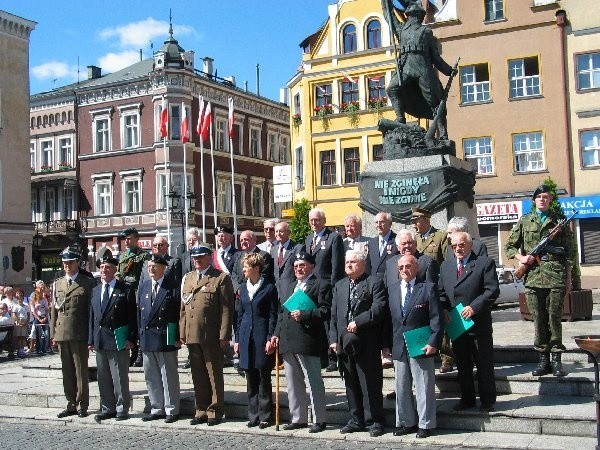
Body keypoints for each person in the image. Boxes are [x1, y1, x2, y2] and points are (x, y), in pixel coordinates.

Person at [504, 184, 576, 377]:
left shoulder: (559, 222)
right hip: (533, 277)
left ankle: (557, 360)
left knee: (554, 318)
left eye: (546, 196)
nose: (542, 199)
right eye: (539, 197)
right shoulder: (525, 221)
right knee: (539, 320)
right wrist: (522, 259)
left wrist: (569, 279)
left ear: (550, 200)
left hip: (555, 277)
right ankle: (543, 359)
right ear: (534, 200)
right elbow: (509, 247)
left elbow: (570, 253)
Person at [270, 251, 331, 434]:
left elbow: (325, 310)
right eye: (296, 266)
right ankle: (298, 418)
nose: (298, 269)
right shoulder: (289, 286)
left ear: (311, 266)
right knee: (292, 382)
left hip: (308, 339)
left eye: (302, 265)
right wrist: (276, 334)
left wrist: (305, 315)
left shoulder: (320, 284)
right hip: (288, 339)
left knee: (313, 382)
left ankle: (319, 419)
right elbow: (282, 313)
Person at [438, 232, 499, 412]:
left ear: (470, 245)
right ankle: (467, 399)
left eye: (462, 245)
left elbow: (492, 291)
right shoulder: (446, 266)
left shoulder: (484, 263)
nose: (458, 248)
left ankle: (487, 400)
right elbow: (441, 292)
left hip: (477, 324)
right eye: (454, 245)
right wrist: (443, 309)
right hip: (456, 325)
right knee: (463, 365)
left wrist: (474, 307)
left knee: (483, 364)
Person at [330, 249, 387, 438]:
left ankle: (375, 420)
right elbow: (334, 315)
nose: (348, 265)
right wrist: (333, 339)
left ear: (362, 264)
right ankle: (356, 419)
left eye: (353, 262)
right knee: (351, 383)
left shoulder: (374, 282)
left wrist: (359, 322)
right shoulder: (339, 285)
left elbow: (378, 309)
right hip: (344, 344)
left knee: (369, 383)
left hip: (367, 342)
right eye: (347, 262)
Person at [383, 254, 442, 439]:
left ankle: (425, 424)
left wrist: (434, 342)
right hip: (398, 345)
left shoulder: (427, 288)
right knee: (401, 387)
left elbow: (436, 318)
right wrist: (385, 345)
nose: (404, 270)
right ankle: (406, 422)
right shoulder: (391, 290)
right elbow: (387, 321)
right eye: (401, 267)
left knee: (424, 386)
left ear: (416, 268)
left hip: (421, 345)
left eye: (408, 266)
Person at [382, 0, 455, 138]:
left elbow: (435, 57)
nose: (411, 18)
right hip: (405, 67)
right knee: (392, 88)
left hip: (423, 68)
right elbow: (388, 15)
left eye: (412, 16)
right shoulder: (401, 30)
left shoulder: (426, 32)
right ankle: (400, 119)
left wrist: (448, 70)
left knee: (434, 101)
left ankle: (443, 133)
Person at [180, 244, 234, 426]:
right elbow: (183, 309)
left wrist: (224, 334)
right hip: (192, 334)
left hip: (211, 334)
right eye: (195, 257)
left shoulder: (221, 278)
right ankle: (201, 409)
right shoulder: (188, 278)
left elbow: (227, 309)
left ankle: (215, 410)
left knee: (213, 374)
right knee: (198, 374)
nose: (197, 260)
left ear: (210, 257)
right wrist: (182, 332)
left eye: (201, 257)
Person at [89, 256, 137, 423]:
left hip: (118, 338)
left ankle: (122, 408)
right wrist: (91, 339)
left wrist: (131, 338)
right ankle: (107, 407)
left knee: (119, 377)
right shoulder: (95, 290)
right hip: (100, 339)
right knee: (103, 377)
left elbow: (132, 316)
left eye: (108, 267)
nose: (104, 270)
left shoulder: (125, 289)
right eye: (102, 267)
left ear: (115, 269)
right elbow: (92, 317)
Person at [234, 253, 278, 429]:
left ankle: (265, 415)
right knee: (250, 378)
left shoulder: (269, 288)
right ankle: (253, 415)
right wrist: (237, 339)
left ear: (256, 268)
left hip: (261, 337)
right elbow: (240, 315)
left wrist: (270, 338)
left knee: (263, 377)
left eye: (246, 267)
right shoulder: (243, 289)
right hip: (246, 337)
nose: (243, 270)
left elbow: (273, 315)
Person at [51, 246, 95, 419]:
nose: (67, 266)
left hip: (79, 333)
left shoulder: (87, 283)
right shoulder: (57, 284)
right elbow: (53, 312)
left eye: (70, 262)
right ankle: (70, 403)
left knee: (80, 371)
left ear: (78, 263)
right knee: (66, 371)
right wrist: (53, 334)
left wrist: (91, 336)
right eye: (64, 263)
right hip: (62, 333)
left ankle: (82, 404)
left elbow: (90, 312)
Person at [138, 254, 181, 424]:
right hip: (148, 337)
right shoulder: (145, 286)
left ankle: (171, 409)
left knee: (168, 375)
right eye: (149, 266)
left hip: (165, 336)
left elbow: (178, 313)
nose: (151, 269)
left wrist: (178, 336)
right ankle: (157, 407)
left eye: (155, 266)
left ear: (163, 268)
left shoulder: (172, 287)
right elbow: (139, 313)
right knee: (151, 375)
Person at [304, 207, 345, 372]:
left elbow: (337, 265)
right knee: (316, 322)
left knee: (328, 322)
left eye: (317, 220)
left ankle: (332, 357)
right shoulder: (308, 239)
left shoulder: (334, 238)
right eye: (312, 220)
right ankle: (320, 355)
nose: (314, 223)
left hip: (328, 285)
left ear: (324, 221)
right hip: (312, 286)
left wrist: (335, 286)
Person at [271, 221, 302, 302]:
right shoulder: (273, 250)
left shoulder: (298, 248)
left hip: (291, 291)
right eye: (276, 231)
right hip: (275, 292)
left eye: (281, 231)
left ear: (288, 232)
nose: (278, 234)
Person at [366, 211, 398, 278]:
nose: (378, 225)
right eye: (376, 222)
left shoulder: (397, 240)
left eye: (382, 222)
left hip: (391, 282)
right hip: (374, 283)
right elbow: (368, 266)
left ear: (390, 224)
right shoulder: (371, 243)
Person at [30, 284, 50, 355]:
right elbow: (33, 311)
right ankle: (38, 349)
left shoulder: (44, 299)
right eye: (40, 292)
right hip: (37, 317)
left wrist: (46, 317)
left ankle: (44, 348)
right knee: (38, 334)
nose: (41, 293)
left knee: (47, 334)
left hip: (44, 316)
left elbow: (47, 309)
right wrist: (39, 318)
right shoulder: (33, 300)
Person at [11, 288, 28, 358]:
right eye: (19, 299)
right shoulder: (15, 306)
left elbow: (28, 314)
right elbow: (14, 315)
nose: (20, 300)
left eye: (21, 298)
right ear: (17, 299)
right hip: (19, 322)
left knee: (23, 336)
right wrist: (18, 321)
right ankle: (19, 349)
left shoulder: (26, 306)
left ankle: (22, 349)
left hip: (24, 322)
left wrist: (26, 322)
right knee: (19, 337)